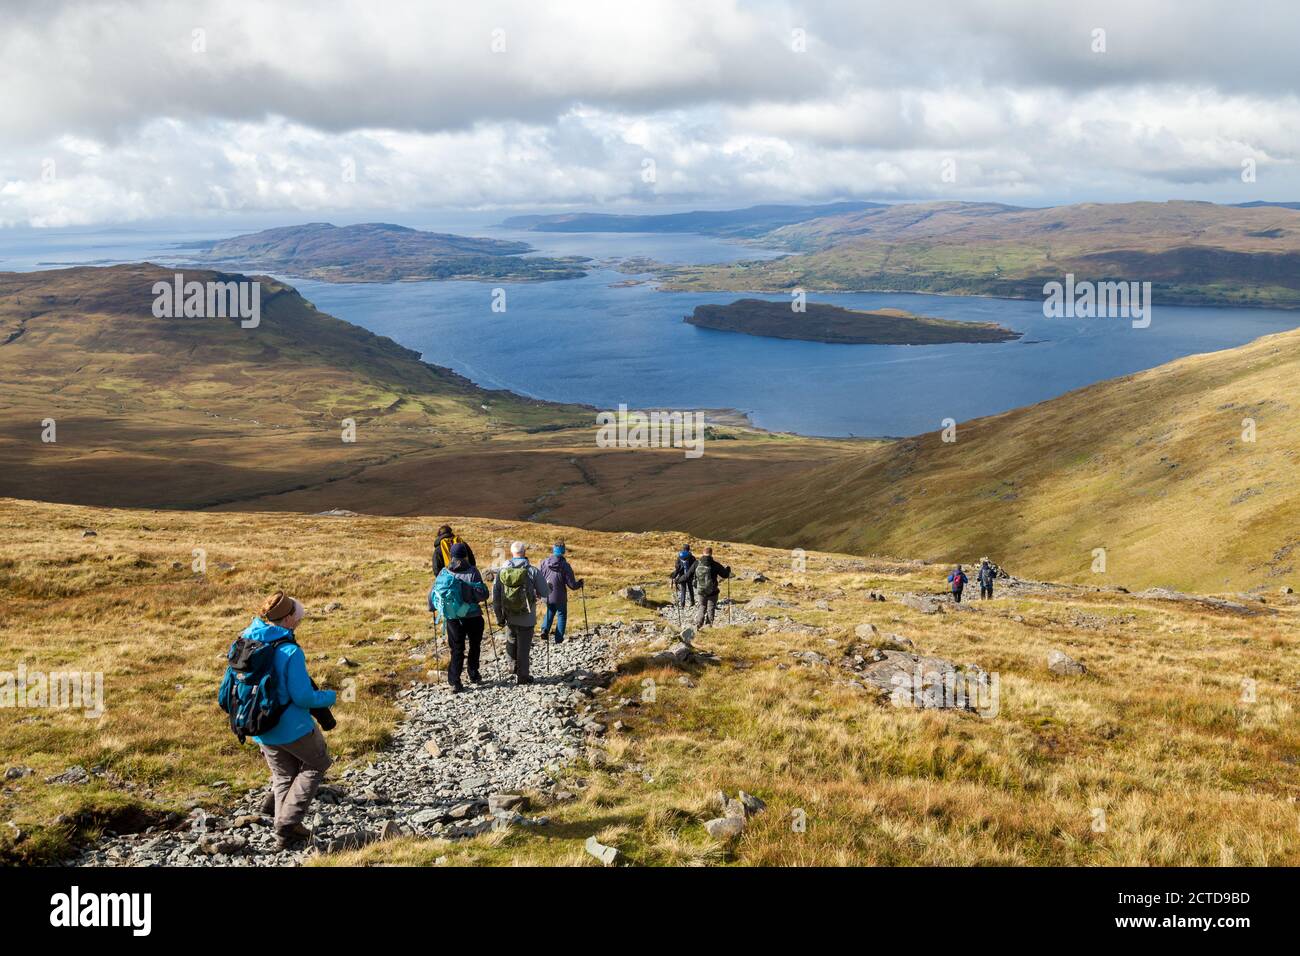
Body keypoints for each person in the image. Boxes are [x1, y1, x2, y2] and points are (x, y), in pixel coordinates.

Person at [243, 591, 337, 849]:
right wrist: (329, 696)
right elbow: (303, 697)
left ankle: (284, 833)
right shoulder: (289, 651)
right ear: (287, 619)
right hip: (292, 726)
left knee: (284, 774)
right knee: (317, 763)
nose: (299, 621)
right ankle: (287, 822)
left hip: (259, 725)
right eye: (297, 617)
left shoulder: (247, 638)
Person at [431, 542, 490, 692]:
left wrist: (432, 608)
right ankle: (473, 673)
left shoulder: (444, 572)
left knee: (457, 648)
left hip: (452, 617)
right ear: (465, 555)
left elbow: (433, 593)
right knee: (475, 645)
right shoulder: (473, 571)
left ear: (452, 556)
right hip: (473, 616)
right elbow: (481, 595)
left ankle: (455, 680)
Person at [492, 541, 550, 684]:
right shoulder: (532, 571)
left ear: (512, 553)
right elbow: (545, 592)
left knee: (511, 640)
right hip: (527, 617)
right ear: (524, 553)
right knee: (524, 646)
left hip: (509, 616)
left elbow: (496, 596)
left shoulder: (502, 571)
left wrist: (499, 616)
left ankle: (512, 666)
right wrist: (549, 586)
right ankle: (523, 676)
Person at [538, 540, 584, 644]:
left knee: (550, 610)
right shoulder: (565, 565)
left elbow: (538, 578)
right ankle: (558, 639)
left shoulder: (544, 562)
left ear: (553, 550)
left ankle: (544, 630)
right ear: (563, 551)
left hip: (546, 594)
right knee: (562, 614)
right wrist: (579, 584)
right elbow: (572, 585)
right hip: (560, 596)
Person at [692, 547, 731, 626]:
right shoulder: (715, 564)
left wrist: (677, 579)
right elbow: (725, 575)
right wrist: (728, 569)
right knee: (711, 608)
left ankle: (698, 624)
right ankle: (709, 626)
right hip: (713, 591)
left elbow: (688, 574)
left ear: (703, 553)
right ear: (711, 553)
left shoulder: (696, 563)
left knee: (702, 606)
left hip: (701, 591)